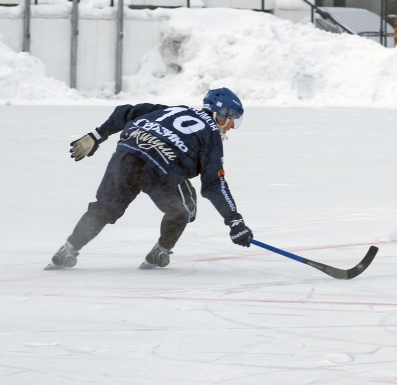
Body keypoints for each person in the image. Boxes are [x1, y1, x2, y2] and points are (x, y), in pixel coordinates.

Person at [47, 88, 254, 270]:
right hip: (161, 167)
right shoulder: (210, 133)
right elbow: (214, 183)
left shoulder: (170, 109)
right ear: (220, 113)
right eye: (232, 118)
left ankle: (68, 249)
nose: (232, 126)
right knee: (183, 209)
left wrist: (97, 135)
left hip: (125, 156)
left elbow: (124, 112)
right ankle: (161, 251)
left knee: (104, 209)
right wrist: (234, 221)